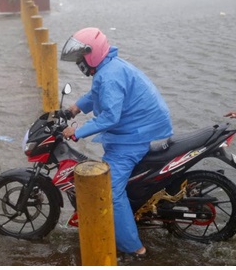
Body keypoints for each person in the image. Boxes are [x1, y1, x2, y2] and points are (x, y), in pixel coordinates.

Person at [60, 27, 173, 258]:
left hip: (133, 137)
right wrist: (75, 108)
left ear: (92, 54)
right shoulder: (108, 68)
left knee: (109, 190)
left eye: (81, 58)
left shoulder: (110, 75)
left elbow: (111, 117)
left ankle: (135, 248)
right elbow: (96, 94)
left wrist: (76, 132)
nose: (79, 63)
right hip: (133, 131)